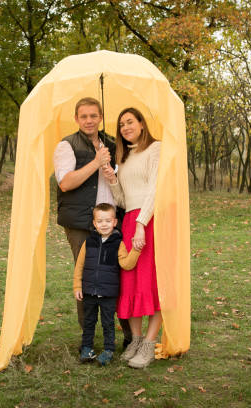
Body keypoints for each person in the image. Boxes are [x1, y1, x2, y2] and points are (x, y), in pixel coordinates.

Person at [53, 97, 132, 348]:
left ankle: (129, 334)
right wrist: (96, 163)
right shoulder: (67, 145)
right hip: (81, 223)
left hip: (112, 221)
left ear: (100, 117)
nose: (89, 120)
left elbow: (122, 180)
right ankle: (88, 337)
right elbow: (65, 183)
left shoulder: (112, 143)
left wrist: (112, 173)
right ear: (76, 119)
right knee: (87, 277)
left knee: (117, 275)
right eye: (84, 116)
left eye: (93, 115)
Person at [103, 107, 162, 369]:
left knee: (151, 282)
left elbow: (154, 189)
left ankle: (149, 344)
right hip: (129, 222)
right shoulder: (124, 158)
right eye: (121, 124)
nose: (125, 127)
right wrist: (113, 181)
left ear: (141, 123)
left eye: (130, 122)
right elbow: (125, 201)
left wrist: (141, 224)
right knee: (130, 283)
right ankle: (136, 340)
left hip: (148, 222)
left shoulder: (155, 149)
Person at [73, 203, 140, 365]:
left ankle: (108, 350)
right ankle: (87, 349)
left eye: (108, 221)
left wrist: (136, 250)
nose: (104, 224)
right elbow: (79, 266)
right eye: (100, 221)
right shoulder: (88, 243)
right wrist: (77, 286)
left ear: (115, 222)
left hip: (108, 293)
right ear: (95, 223)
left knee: (108, 323)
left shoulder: (119, 243)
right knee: (89, 322)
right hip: (89, 291)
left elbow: (126, 264)